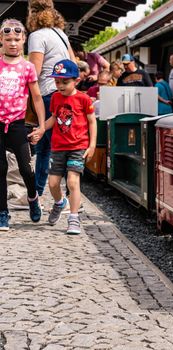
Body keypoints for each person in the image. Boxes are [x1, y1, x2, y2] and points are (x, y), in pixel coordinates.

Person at [27, 0, 76, 198]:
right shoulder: (61, 34)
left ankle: (68, 196)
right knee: (47, 146)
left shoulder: (37, 36)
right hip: (62, 94)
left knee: (51, 146)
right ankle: (37, 192)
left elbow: (34, 72)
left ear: (32, 12)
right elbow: (73, 63)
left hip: (47, 94)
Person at [0, 19, 46, 230]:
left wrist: (42, 125)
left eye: (17, 39)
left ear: (24, 40)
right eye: (8, 39)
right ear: (1, 40)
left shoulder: (27, 67)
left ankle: (32, 197)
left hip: (18, 125)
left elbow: (36, 98)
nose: (13, 43)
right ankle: (2, 212)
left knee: (26, 170)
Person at [44, 59, 96, 235]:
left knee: (73, 182)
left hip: (77, 146)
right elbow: (53, 118)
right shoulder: (55, 98)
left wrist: (92, 145)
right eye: (57, 81)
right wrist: (41, 129)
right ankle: (59, 203)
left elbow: (92, 122)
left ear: (76, 80)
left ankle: (73, 218)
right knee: (52, 184)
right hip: (58, 147)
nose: (60, 86)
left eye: (65, 82)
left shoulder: (84, 99)